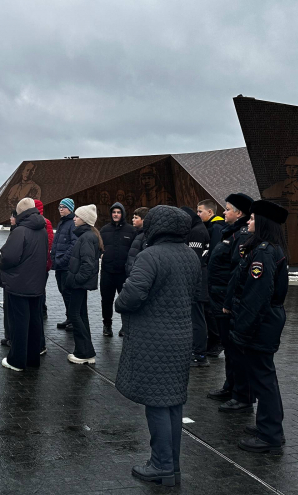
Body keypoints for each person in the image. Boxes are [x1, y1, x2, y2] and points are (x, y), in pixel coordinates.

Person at [115, 206, 201, 486]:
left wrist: (119, 303)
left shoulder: (150, 255)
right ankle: (171, 464)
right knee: (173, 403)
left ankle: (161, 465)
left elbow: (132, 295)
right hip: (180, 337)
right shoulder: (190, 256)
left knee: (156, 404)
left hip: (154, 339)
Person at [228, 200, 289, 454]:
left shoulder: (263, 252)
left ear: (262, 222)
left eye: (252, 218)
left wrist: (242, 331)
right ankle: (268, 426)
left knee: (263, 379)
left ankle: (271, 436)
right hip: (266, 321)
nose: (248, 221)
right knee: (264, 376)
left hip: (261, 324)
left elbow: (257, 297)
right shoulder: (268, 248)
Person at [206, 193, 254, 412]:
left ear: (239, 213)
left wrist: (228, 301)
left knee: (236, 349)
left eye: (227, 209)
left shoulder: (242, 236)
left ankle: (242, 395)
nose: (223, 212)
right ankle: (230, 386)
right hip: (220, 297)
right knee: (228, 345)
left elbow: (237, 272)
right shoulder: (231, 232)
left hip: (228, 301)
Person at [0, 198, 49, 371]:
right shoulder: (42, 230)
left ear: (20, 212)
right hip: (36, 284)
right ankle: (32, 359)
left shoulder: (20, 231)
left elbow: (9, 257)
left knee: (19, 323)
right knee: (35, 322)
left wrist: (1, 262)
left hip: (19, 284)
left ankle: (17, 361)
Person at [63, 204, 102, 364]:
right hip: (79, 284)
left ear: (85, 220)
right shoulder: (88, 236)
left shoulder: (86, 238)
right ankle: (86, 351)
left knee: (74, 315)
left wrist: (76, 279)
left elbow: (88, 265)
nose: (74, 218)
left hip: (79, 285)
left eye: (77, 216)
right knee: (81, 315)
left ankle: (84, 353)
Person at [99, 203, 135, 336]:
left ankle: (125, 326)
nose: (116, 214)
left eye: (118, 212)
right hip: (107, 272)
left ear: (123, 214)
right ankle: (107, 325)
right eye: (113, 212)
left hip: (123, 273)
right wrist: (100, 255)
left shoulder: (131, 230)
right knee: (106, 300)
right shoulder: (104, 230)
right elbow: (98, 246)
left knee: (124, 300)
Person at [181, 207, 210, 367]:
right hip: (198, 279)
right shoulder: (197, 229)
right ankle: (197, 351)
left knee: (197, 317)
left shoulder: (197, 231)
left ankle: (199, 354)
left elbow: (194, 260)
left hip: (197, 280)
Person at [197, 199, 225, 356]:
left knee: (209, 308)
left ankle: (216, 341)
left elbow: (213, 252)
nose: (198, 214)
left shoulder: (216, 228)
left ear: (210, 212)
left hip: (212, 274)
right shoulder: (211, 227)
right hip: (211, 273)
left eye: (200, 211)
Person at [51, 198, 78, 330]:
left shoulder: (72, 223)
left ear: (70, 209)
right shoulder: (62, 222)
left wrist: (62, 259)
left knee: (68, 293)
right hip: (59, 265)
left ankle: (73, 320)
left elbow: (73, 244)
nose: (60, 209)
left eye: (63, 207)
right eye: (59, 207)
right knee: (63, 291)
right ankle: (69, 317)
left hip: (66, 265)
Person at [122, 207, 149, 337]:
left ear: (144, 220)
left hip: (136, 277)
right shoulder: (138, 234)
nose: (133, 220)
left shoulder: (145, 236)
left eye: (136, 217)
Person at [0, 210, 17, 348]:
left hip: (14, 278)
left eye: (13, 216)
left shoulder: (19, 232)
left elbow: (9, 256)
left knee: (12, 309)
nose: (10, 218)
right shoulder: (15, 230)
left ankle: (12, 337)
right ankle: (9, 335)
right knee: (8, 308)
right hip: (11, 277)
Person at [34, 199, 54, 320]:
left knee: (39, 286)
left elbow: (49, 241)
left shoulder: (43, 223)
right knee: (41, 286)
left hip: (39, 260)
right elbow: (50, 241)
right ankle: (42, 309)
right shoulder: (46, 222)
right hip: (43, 260)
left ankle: (41, 309)